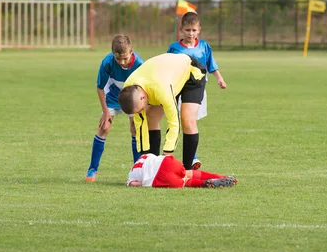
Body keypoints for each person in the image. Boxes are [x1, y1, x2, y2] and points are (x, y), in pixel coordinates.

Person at [118, 53, 206, 170]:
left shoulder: (160, 89)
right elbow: (140, 124)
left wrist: (167, 153)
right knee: (150, 117)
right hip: (168, 77)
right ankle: (153, 167)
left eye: (141, 108)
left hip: (191, 71)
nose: (142, 111)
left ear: (142, 97)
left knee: (187, 120)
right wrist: (145, 158)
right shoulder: (129, 88)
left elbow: (173, 122)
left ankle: (187, 170)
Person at [167, 11, 227, 169]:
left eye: (193, 30)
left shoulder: (204, 46)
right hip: (177, 86)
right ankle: (169, 156)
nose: (190, 33)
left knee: (189, 120)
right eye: (187, 30)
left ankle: (191, 158)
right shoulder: (174, 48)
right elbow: (166, 67)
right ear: (181, 30)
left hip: (196, 87)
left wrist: (219, 79)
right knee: (176, 121)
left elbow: (211, 64)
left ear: (199, 29)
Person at [85, 35, 144, 182]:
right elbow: (100, 88)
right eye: (118, 59)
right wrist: (105, 112)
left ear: (132, 51)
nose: (122, 62)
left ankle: (137, 170)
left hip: (131, 96)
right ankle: (92, 169)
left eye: (125, 58)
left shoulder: (139, 64)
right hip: (112, 96)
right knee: (104, 127)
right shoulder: (107, 63)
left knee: (135, 129)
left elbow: (143, 88)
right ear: (113, 54)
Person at [127, 153, 238, 188]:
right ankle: (220, 176)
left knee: (184, 181)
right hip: (168, 162)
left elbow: (135, 184)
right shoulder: (144, 157)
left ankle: (206, 183)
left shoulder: (131, 176)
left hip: (159, 177)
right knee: (187, 172)